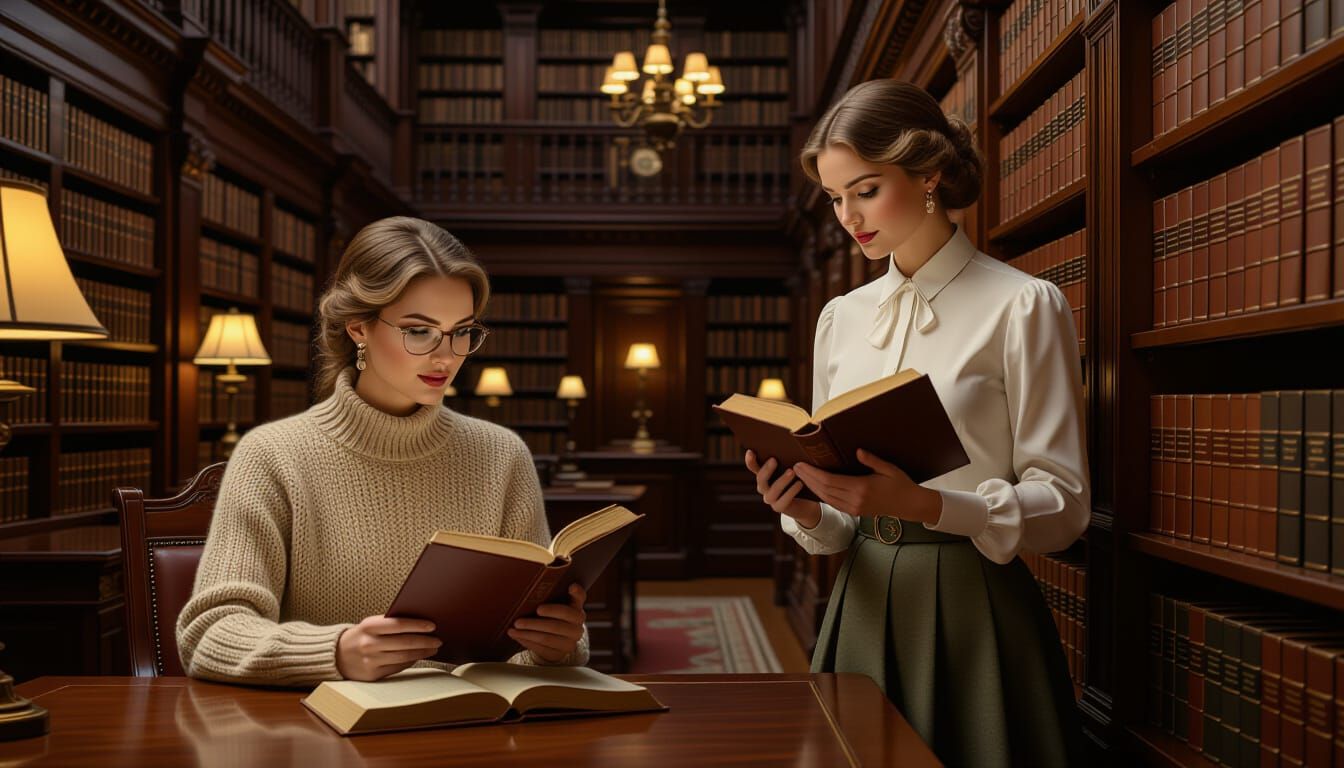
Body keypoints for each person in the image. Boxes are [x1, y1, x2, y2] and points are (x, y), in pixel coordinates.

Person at [746, 79, 1089, 766]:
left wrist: (928, 504)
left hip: (974, 609)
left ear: (928, 172)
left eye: (865, 190)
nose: (848, 216)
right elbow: (845, 519)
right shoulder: (840, 319)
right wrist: (808, 510)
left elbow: (1065, 507)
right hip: (863, 602)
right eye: (836, 198)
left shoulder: (1023, 306)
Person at [177, 216, 588, 686]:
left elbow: (523, 646)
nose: (446, 356)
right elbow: (209, 634)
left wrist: (557, 646)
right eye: (419, 331)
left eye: (462, 332)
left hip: (473, 732)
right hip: (325, 737)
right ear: (358, 328)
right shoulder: (273, 455)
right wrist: (334, 653)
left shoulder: (501, 455)